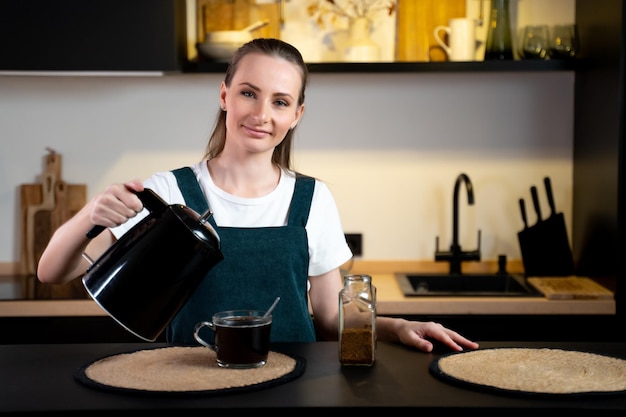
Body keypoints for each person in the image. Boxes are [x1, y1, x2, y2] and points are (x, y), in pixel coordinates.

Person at [37, 38, 479, 353]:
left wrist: (398, 326)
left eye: (280, 102)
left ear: (297, 115)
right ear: (225, 94)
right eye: (249, 93)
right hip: (188, 387)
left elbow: (327, 320)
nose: (262, 114)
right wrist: (91, 214)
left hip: (294, 387)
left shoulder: (313, 198)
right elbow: (53, 271)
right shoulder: (170, 192)